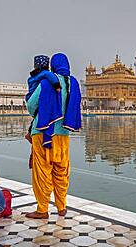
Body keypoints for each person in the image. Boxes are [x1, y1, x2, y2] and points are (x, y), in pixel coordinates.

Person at [26, 53, 81, 219]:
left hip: (43, 133)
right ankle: (62, 206)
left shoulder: (46, 82)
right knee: (61, 171)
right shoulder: (74, 83)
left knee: (42, 171)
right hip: (63, 135)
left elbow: (31, 106)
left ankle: (42, 209)